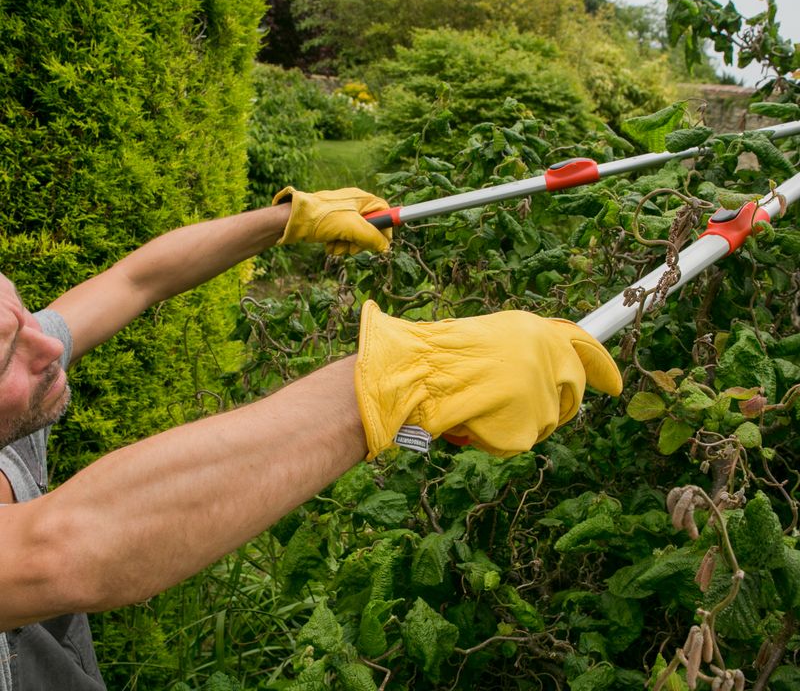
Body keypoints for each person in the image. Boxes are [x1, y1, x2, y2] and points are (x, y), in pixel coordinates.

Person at [0, 187, 622, 689]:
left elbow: (135, 279)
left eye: (22, 313)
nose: (51, 344)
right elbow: (62, 551)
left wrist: (285, 220)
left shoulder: (25, 361)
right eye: (8, 356)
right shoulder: (43, 549)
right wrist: (406, 380)